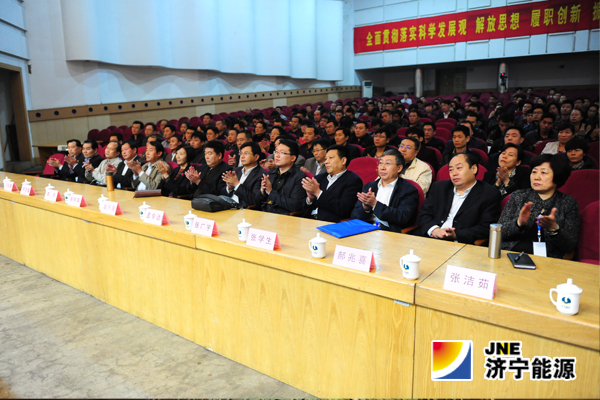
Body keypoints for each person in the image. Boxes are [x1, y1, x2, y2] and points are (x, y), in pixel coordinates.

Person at [498, 154, 579, 259]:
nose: (536, 177)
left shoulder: (568, 203)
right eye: (534, 172)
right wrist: (518, 223)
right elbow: (499, 232)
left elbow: (570, 245)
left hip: (548, 260)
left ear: (557, 176)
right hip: (511, 255)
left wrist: (553, 229)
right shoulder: (518, 196)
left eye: (543, 173)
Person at [416, 153, 501, 244]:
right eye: (451, 170)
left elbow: (485, 227)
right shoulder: (439, 188)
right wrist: (435, 230)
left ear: (474, 169)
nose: (454, 173)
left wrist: (456, 234)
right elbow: (424, 214)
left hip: (461, 243)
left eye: (459, 168)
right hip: (430, 238)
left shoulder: (489, 194)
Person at [351, 149, 420, 232]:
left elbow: (402, 217)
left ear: (399, 168)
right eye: (380, 163)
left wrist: (375, 204)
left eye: (388, 163)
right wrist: (365, 208)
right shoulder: (369, 186)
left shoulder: (408, 190)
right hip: (365, 229)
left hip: (389, 232)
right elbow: (355, 216)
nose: (382, 167)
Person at [302, 145, 363, 222]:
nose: (326, 162)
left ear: (343, 160)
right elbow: (303, 209)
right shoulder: (319, 178)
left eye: (331, 158)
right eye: (326, 158)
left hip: (331, 223)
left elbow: (344, 209)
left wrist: (318, 193)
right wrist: (310, 200)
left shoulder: (353, 181)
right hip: (309, 221)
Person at [260, 139, 306, 215]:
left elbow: (295, 206)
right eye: (276, 152)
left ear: (293, 158)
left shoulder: (300, 178)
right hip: (264, 215)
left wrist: (271, 192)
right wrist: (262, 191)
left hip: (284, 218)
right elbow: (257, 202)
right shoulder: (270, 174)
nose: (277, 155)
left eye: (282, 152)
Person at [222, 142, 264, 209]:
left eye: (246, 153)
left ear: (256, 157)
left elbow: (255, 200)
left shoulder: (262, 175)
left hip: (243, 210)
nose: (242, 156)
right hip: (227, 206)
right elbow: (222, 193)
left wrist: (236, 184)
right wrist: (229, 188)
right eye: (241, 153)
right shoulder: (236, 170)